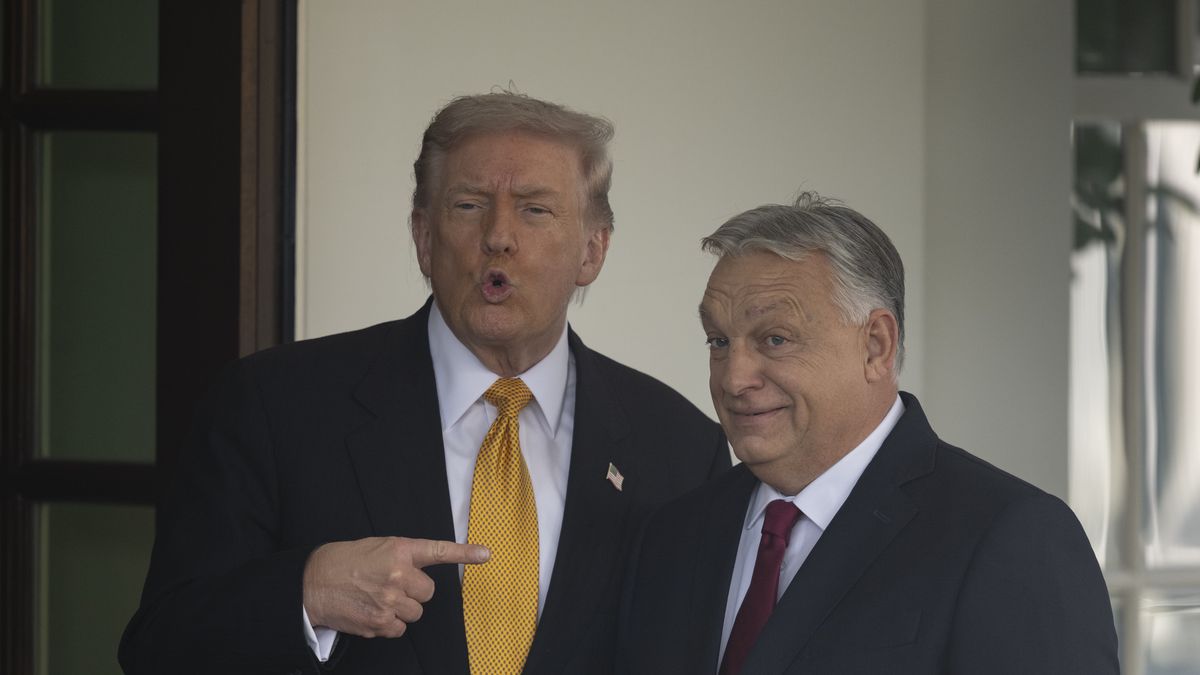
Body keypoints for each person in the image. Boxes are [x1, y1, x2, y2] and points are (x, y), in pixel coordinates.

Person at [119, 92, 729, 675]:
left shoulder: (680, 449)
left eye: (535, 209)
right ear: (423, 236)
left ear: (592, 250)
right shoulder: (272, 404)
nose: (498, 236)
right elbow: (160, 647)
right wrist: (305, 595)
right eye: (468, 204)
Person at [617, 193, 1119, 674]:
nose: (733, 377)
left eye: (775, 338)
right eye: (719, 341)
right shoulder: (673, 536)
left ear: (876, 346)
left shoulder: (1011, 537)